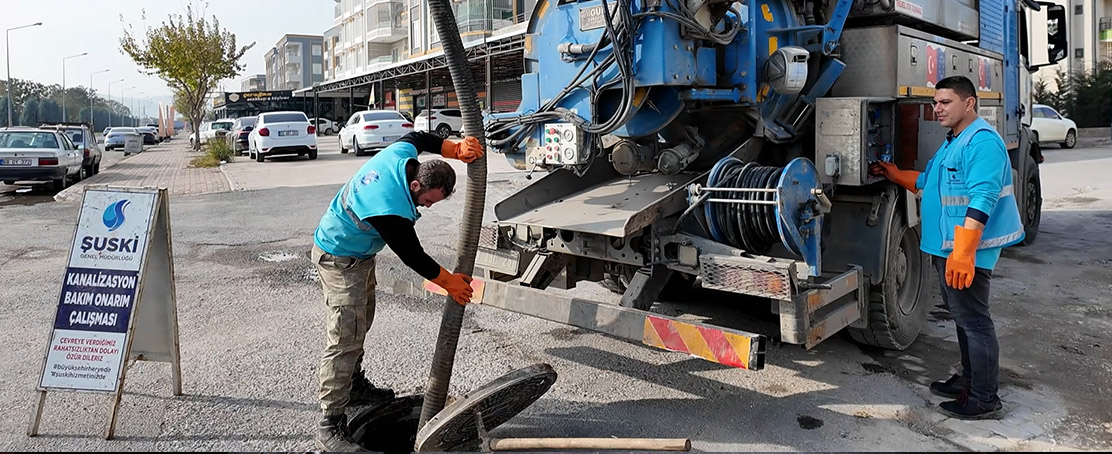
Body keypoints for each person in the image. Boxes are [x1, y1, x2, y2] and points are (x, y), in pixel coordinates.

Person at [311, 130, 484, 451]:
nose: (427, 207)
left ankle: (353, 386)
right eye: (428, 201)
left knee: (361, 322)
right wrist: (449, 282)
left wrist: (454, 148)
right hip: (337, 257)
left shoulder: (402, 156)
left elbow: (419, 137)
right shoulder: (388, 205)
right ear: (415, 185)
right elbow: (412, 254)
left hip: (359, 256)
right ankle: (330, 422)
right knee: (346, 336)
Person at [871, 75, 1024, 420]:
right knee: (963, 319)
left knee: (975, 321)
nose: (936, 109)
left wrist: (964, 252)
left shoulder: (982, 142)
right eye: (935, 102)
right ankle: (970, 380)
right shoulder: (954, 140)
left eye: (945, 102)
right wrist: (895, 174)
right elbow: (930, 182)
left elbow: (983, 197)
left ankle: (984, 398)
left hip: (967, 250)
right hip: (949, 247)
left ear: (969, 103)